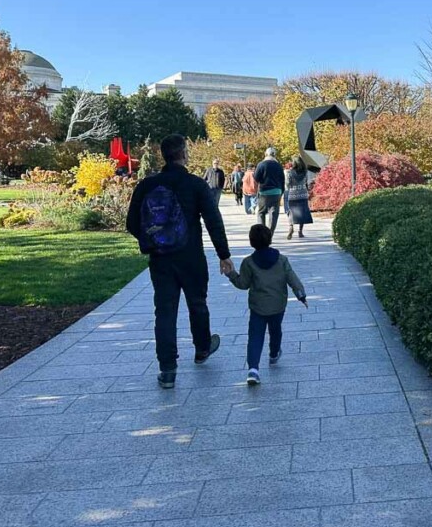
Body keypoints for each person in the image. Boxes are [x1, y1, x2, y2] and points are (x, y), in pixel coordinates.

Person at [126, 134, 233, 389]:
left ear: (164, 154)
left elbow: (132, 223)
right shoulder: (195, 184)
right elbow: (213, 221)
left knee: (164, 312)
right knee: (197, 303)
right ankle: (202, 348)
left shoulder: (147, 185)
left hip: (161, 260)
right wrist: (224, 255)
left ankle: (168, 369)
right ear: (184, 154)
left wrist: (154, 240)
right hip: (191, 256)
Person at [226, 223, 308, 385]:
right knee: (275, 330)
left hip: (258, 307)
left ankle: (253, 369)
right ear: (270, 239)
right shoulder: (282, 260)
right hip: (278, 305)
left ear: (251, 242)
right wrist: (301, 295)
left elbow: (243, 284)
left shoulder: (248, 262)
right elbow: (292, 279)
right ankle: (274, 353)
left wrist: (231, 274)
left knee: (255, 336)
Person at [253, 147, 285, 237]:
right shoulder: (278, 165)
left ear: (265, 154)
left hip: (264, 192)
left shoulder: (261, 164)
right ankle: (270, 233)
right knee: (274, 213)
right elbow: (283, 179)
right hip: (277, 191)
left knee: (261, 212)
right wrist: (281, 192)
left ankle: (262, 234)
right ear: (275, 155)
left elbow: (256, 178)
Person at [284, 156, 313, 240]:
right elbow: (308, 183)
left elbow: (287, 184)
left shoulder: (290, 173)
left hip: (292, 194)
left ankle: (291, 227)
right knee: (302, 212)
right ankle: (300, 231)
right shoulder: (305, 172)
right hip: (303, 194)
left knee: (291, 211)